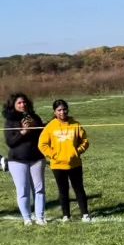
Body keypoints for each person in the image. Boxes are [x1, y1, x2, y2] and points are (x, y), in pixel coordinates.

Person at [38, 99, 91, 222]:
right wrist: (53, 155)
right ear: (55, 112)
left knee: (78, 188)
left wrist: (77, 151)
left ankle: (85, 214)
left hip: (74, 164)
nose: (62, 112)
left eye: (64, 109)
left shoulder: (75, 125)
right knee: (63, 191)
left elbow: (85, 141)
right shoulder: (50, 126)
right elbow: (42, 144)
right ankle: (66, 215)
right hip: (57, 165)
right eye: (59, 110)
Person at [2, 93, 46, 225]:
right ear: (13, 105)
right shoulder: (10, 121)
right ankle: (27, 218)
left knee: (39, 189)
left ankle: (40, 217)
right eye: (19, 103)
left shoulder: (34, 117)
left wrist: (36, 127)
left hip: (36, 158)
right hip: (17, 160)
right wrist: (23, 132)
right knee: (23, 190)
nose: (23, 105)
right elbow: (10, 142)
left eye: (24, 102)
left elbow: (43, 135)